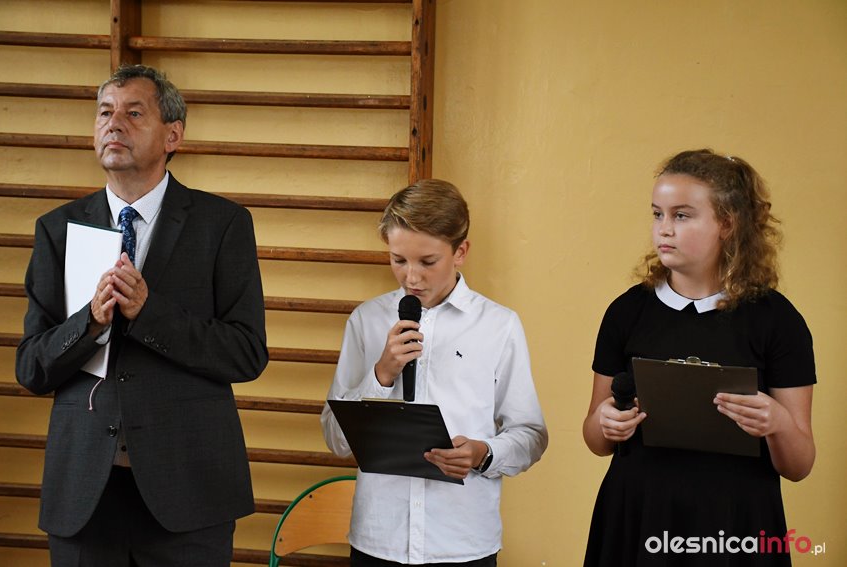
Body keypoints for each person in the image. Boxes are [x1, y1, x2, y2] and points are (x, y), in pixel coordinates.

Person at [15, 64, 268, 566]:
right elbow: (31, 368)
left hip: (189, 491)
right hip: (85, 494)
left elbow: (245, 354)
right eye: (105, 113)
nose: (114, 124)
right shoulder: (57, 228)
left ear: (173, 135)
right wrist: (90, 322)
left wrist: (149, 314)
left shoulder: (223, 224)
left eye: (133, 113)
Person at [582, 149, 816, 566]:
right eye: (657, 214)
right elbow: (596, 440)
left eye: (682, 215)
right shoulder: (626, 312)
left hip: (736, 525)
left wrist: (778, 422)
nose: (664, 229)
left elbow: (799, 465)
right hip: (638, 517)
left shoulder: (777, 320)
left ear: (727, 224)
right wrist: (605, 421)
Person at [321, 179, 548, 566]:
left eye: (427, 262)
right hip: (378, 540)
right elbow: (336, 439)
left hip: (463, 542)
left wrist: (483, 454)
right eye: (398, 260)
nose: (411, 277)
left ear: (460, 252)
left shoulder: (499, 326)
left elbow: (531, 435)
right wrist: (381, 374)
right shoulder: (366, 320)